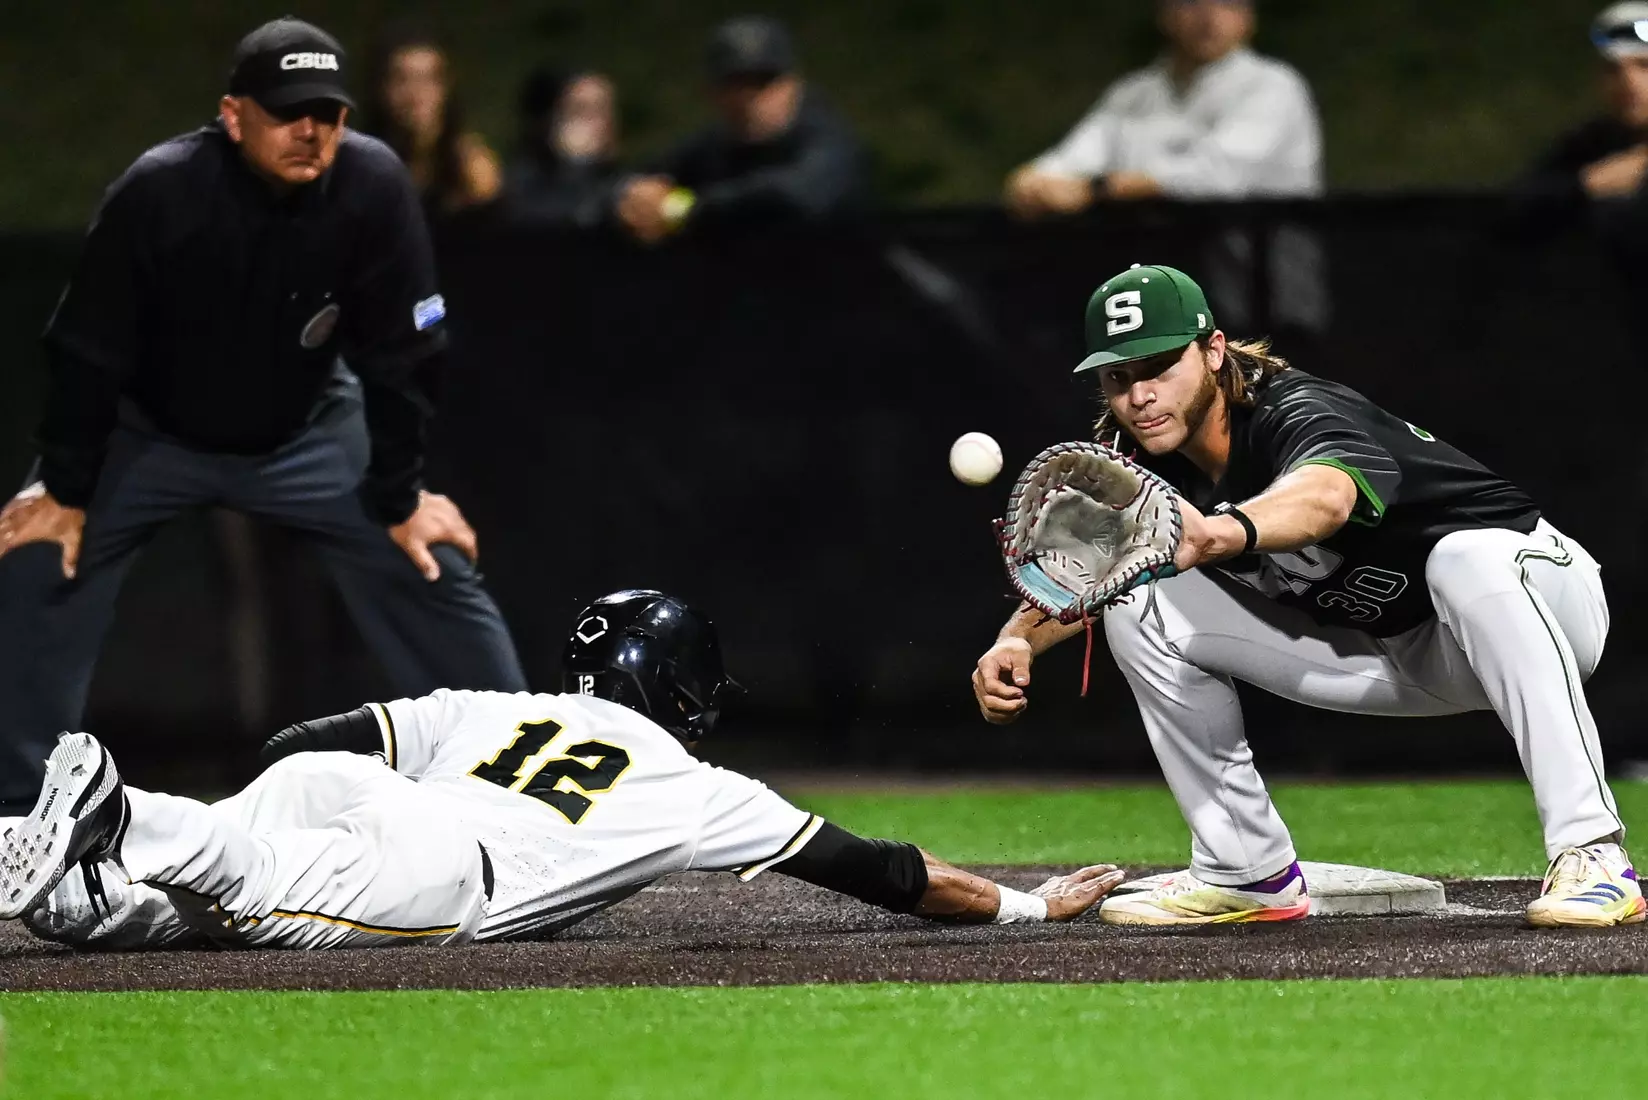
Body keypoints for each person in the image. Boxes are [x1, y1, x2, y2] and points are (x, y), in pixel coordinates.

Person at [969, 263, 1641, 930]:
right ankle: (1245, 870)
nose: (1140, 394)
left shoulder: (1294, 410)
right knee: (1139, 605)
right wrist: (1016, 640)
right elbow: (1093, 566)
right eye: (1120, 378)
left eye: (1160, 366)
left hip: (1545, 605)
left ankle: (1593, 853)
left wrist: (1219, 534)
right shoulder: (1135, 460)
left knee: (1469, 555)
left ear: (1213, 350)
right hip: (1402, 650)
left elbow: (1328, 495)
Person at [0, 17, 527, 816]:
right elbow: (88, 347)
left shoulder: (372, 183)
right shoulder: (161, 188)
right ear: (233, 114)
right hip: (146, 435)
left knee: (430, 561)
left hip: (306, 431)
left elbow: (404, 351)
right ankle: (18, 817)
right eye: (287, 111)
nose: (310, 129)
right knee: (38, 562)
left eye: (328, 112)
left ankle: (519, 794)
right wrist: (66, 487)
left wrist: (401, 492)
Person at [0, 590, 1124, 949]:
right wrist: (1027, 904)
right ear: (677, 686)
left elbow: (306, 743)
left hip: (371, 791)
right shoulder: (693, 780)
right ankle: (121, 808)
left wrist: (298, 790)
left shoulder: (499, 704)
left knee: (223, 890)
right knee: (251, 885)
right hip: (449, 870)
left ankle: (84, 881)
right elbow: (880, 869)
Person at [1004, 0, 1325, 341]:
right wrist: (1031, 182)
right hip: (1163, 320)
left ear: (1249, 17)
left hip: (1264, 313)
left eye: (1227, 4)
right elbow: (1067, 163)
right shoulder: (1134, 94)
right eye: (1191, 4)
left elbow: (1216, 175)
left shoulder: (1273, 86)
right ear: (1165, 14)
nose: (1209, 17)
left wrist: (1098, 189)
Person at [614, 15, 866, 244]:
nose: (749, 98)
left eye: (763, 82)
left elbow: (791, 198)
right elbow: (631, 181)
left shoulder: (829, 139)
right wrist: (632, 198)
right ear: (712, 93)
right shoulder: (714, 144)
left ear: (792, 85)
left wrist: (680, 209)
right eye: (734, 84)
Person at [1515, 3, 1648, 224]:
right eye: (1612, 69)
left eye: (1644, 66)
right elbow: (1513, 208)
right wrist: (1585, 187)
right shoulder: (1591, 143)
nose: (1628, 82)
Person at [361, 27, 502, 217]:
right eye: (402, 80)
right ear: (381, 88)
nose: (416, 95)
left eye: (428, 80)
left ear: (445, 88)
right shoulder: (359, 165)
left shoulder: (470, 167)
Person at [504, 66, 623, 228]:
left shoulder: (621, 183)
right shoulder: (521, 185)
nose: (603, 123)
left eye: (605, 108)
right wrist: (576, 166)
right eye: (581, 110)